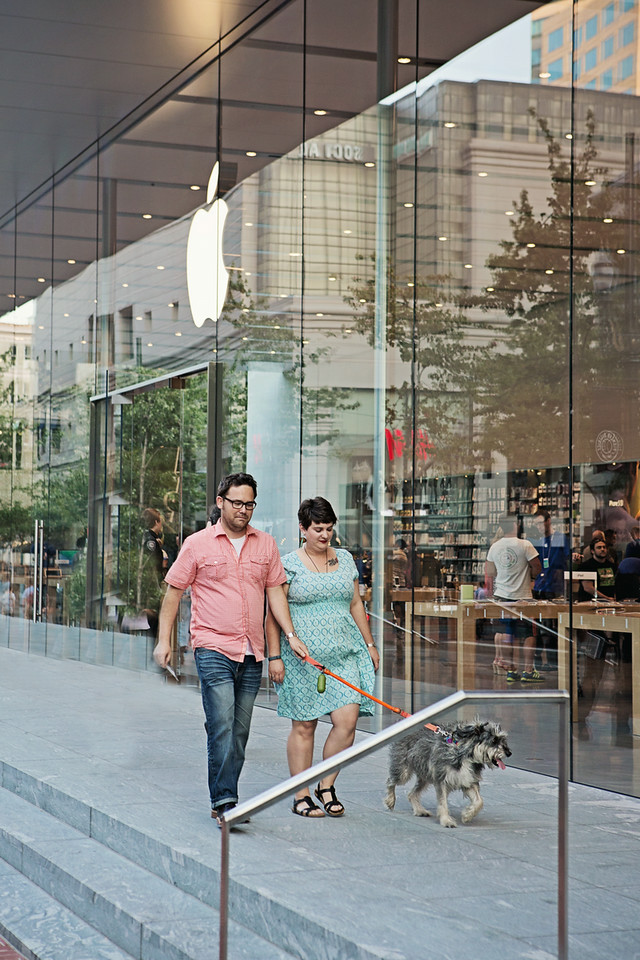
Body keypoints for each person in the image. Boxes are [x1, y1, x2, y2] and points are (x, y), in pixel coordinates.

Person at [153, 472, 308, 825]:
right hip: (212, 646)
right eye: (237, 503)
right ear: (220, 502)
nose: (243, 510)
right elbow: (174, 593)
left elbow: (274, 594)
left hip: (251, 651)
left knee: (239, 730)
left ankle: (225, 794)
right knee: (221, 723)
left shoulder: (265, 544)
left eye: (249, 503)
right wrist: (164, 640)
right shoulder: (197, 544)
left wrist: (290, 635)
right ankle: (226, 800)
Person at [265, 497, 380, 818]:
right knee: (305, 726)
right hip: (303, 659)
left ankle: (325, 784)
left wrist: (370, 643)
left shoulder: (344, 559)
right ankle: (300, 793)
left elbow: (355, 603)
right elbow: (273, 614)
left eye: (329, 529)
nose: (325, 535)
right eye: (318, 529)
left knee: (348, 722)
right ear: (303, 529)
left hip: (346, 653)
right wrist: (275, 656)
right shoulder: (288, 563)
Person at [485, 515, 542, 683]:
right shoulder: (525, 545)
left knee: (508, 633)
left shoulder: (494, 547)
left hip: (502, 596)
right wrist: (530, 577)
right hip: (523, 596)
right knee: (529, 634)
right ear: (516, 526)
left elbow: (490, 571)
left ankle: (511, 670)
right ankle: (528, 670)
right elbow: (538, 566)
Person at [575, 536, 618, 739]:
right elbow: (588, 588)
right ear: (592, 551)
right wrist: (608, 598)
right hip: (592, 615)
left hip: (610, 611)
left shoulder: (611, 565)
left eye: (604, 547)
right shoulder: (587, 565)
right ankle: (586, 685)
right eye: (598, 547)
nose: (602, 550)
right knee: (593, 656)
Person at [532, 509, 569, 671]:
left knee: (553, 626)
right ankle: (538, 662)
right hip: (540, 587)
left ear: (548, 521)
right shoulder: (538, 541)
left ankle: (554, 661)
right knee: (538, 626)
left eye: (540, 523)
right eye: (536, 524)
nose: (539, 527)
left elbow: (568, 559)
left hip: (556, 588)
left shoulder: (561, 538)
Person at [140, 507, 169, 638]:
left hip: (149, 584)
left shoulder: (148, 538)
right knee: (151, 618)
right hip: (151, 585)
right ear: (157, 522)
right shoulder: (151, 541)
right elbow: (151, 564)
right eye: (160, 522)